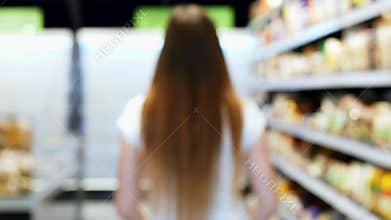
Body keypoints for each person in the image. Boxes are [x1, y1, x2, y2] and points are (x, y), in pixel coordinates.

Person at [115, 4, 277, 220]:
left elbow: (126, 205)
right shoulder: (244, 112)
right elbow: (268, 202)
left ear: (166, 54)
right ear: (216, 53)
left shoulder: (138, 112)